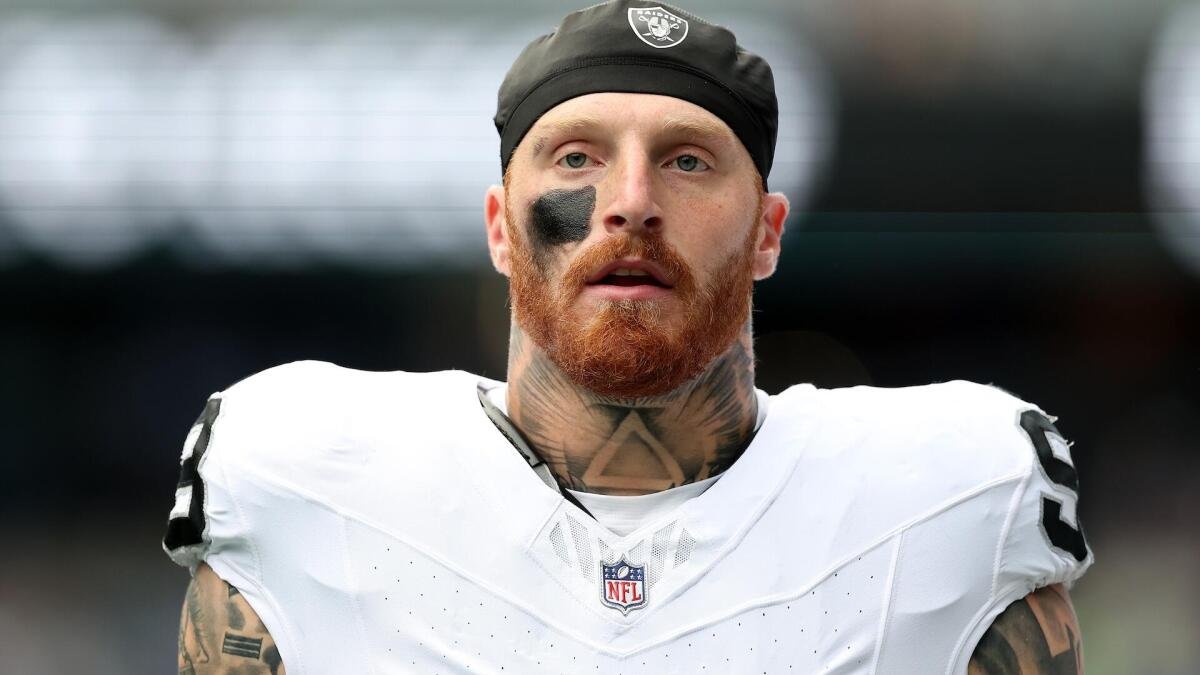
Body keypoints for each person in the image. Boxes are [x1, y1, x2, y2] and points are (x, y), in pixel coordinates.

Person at [164, 1, 1092, 673]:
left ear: (767, 232)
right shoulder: (304, 481)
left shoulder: (953, 502)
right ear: (499, 227)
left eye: (688, 160)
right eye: (578, 157)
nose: (632, 203)